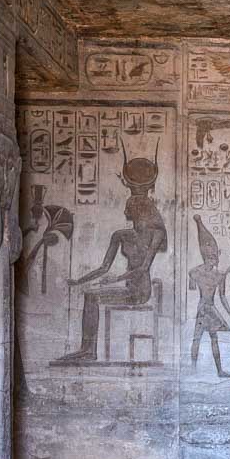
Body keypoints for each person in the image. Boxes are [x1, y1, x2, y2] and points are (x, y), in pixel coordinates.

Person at [55, 146, 166, 365]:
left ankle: (88, 351)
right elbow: (103, 268)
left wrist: (115, 279)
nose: (125, 211)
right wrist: (79, 281)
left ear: (140, 210)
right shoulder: (121, 235)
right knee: (90, 294)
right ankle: (86, 350)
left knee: (93, 297)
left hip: (139, 292)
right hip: (127, 288)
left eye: (129, 208)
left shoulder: (157, 234)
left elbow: (143, 269)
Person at [189, 215, 230, 378]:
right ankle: (193, 370)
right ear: (205, 257)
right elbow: (192, 285)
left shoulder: (218, 276)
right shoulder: (197, 272)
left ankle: (219, 370)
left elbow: (222, 298)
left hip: (210, 309)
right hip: (203, 309)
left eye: (214, 257)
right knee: (197, 338)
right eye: (210, 257)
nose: (213, 260)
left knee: (213, 339)